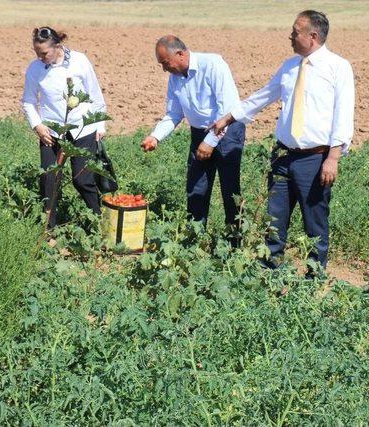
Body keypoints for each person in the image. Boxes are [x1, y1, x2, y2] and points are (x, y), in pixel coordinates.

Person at [211, 10, 355, 270]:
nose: (290, 36)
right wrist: (228, 118)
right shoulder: (289, 67)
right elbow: (264, 96)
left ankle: (314, 277)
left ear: (312, 36)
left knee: (315, 222)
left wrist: (333, 158)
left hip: (315, 158)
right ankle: (270, 272)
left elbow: (343, 115)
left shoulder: (338, 67)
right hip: (282, 156)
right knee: (274, 220)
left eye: (295, 31)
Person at [140, 36, 245, 243]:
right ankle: (193, 239)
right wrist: (155, 136)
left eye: (165, 63)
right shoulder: (176, 77)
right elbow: (173, 114)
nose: (164, 69)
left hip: (227, 131)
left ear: (180, 54)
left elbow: (228, 109)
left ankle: (235, 242)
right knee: (196, 186)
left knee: (230, 188)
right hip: (200, 133)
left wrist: (211, 141)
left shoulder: (213, 64)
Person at [22, 27, 107, 228]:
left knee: (82, 180)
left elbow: (95, 94)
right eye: (36, 53)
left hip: (82, 129)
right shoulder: (35, 69)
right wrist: (38, 126)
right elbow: (28, 101)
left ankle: (98, 223)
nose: (40, 57)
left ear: (57, 46)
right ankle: (49, 230)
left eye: (44, 53)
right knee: (49, 179)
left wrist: (100, 124)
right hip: (51, 132)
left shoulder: (79, 61)